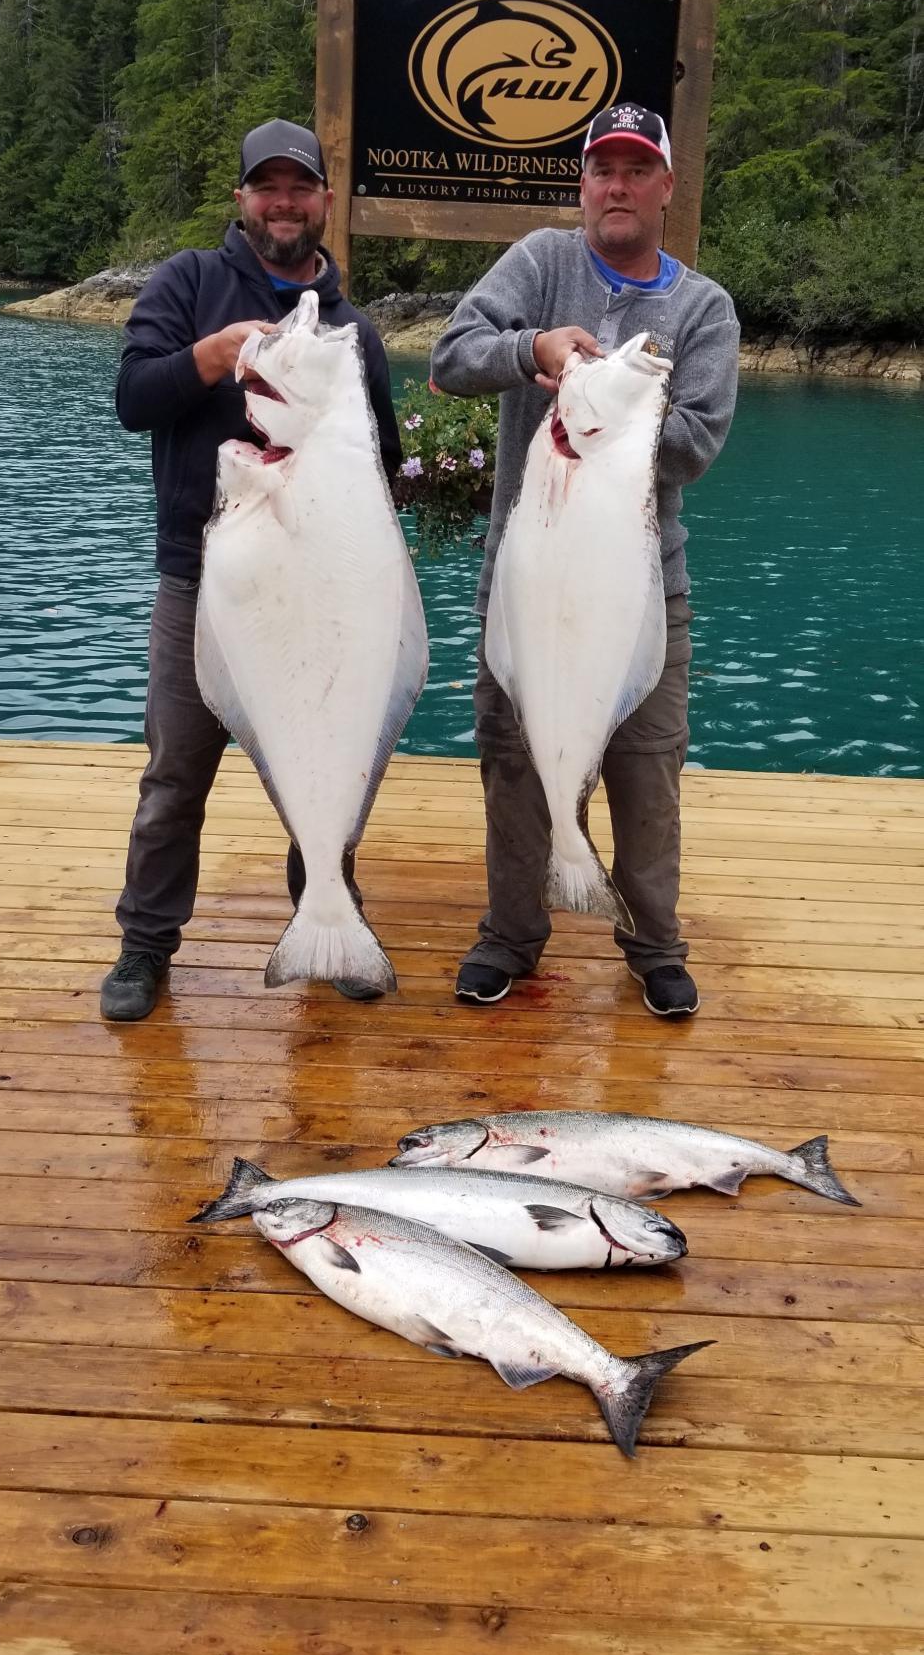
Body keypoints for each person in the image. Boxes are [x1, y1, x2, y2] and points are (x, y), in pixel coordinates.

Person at [430, 100, 740, 1020]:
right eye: (604, 168)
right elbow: (452, 357)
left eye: (638, 169)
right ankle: (511, 935)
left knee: (647, 772)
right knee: (515, 764)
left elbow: (697, 443)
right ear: (583, 183)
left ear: (666, 188)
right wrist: (534, 350)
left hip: (641, 592)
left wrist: (619, 403)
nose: (619, 184)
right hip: (526, 588)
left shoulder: (703, 308)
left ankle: (654, 945)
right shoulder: (540, 261)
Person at [100, 117, 402, 1022]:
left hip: (319, 595)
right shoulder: (188, 282)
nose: (284, 203)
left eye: (300, 187)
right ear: (242, 199)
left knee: (327, 766)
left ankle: (331, 917)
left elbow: (382, 467)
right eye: (267, 187)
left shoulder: (353, 332)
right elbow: (132, 399)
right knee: (174, 777)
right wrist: (214, 356)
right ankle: (145, 948)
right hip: (202, 585)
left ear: (322, 201)